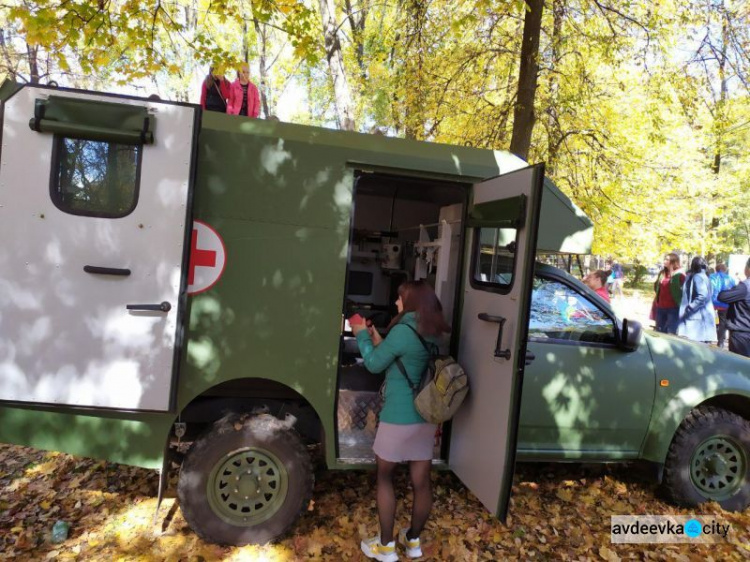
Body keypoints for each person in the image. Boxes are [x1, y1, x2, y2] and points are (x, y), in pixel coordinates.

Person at [351, 280, 450, 562]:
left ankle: (385, 547)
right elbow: (405, 360)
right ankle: (413, 541)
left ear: (410, 302)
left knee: (385, 477)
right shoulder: (433, 333)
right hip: (425, 417)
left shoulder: (404, 330)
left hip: (397, 417)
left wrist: (360, 335)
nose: (396, 303)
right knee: (421, 482)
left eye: (399, 298)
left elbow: (373, 365)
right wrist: (378, 340)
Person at [676, 256, 717, 344]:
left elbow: (702, 296)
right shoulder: (705, 276)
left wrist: (690, 307)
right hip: (703, 318)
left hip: (698, 320)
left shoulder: (697, 277)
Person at [718, 257, 750, 357]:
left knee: (740, 366)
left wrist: (734, 288)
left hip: (741, 332)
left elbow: (722, 296)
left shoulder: (744, 287)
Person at [654, 253, 685, 334]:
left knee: (671, 332)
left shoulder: (680, 274)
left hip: (673, 308)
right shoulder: (662, 273)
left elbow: (684, 291)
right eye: (665, 259)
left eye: (667, 259)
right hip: (660, 307)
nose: (664, 261)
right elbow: (656, 287)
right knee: (659, 331)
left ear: (673, 261)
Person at [710, 263, 736, 349]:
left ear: (716, 269)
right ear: (725, 270)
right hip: (724, 304)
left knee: (711, 320)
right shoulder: (730, 279)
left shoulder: (711, 277)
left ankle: (709, 339)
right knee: (722, 322)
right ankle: (720, 341)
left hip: (711, 303)